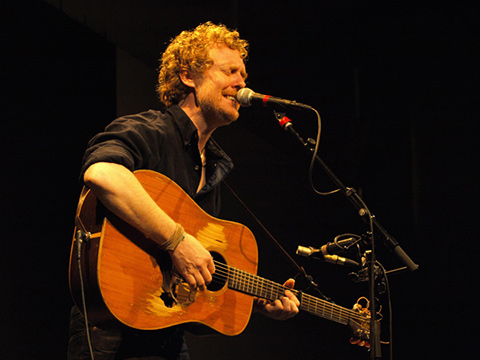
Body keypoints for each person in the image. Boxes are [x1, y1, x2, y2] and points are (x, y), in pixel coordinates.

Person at [67, 22, 300, 360]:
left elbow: (194, 285)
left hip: (168, 334)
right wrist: (176, 240)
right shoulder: (147, 131)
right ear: (189, 76)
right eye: (230, 71)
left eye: (244, 75)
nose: (241, 83)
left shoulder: (213, 165)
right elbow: (103, 173)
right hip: (113, 333)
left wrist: (255, 301)